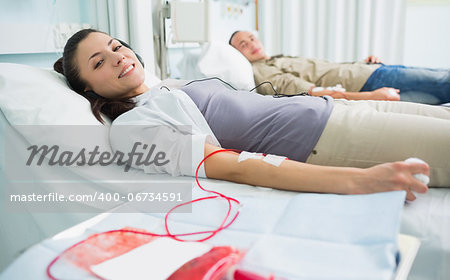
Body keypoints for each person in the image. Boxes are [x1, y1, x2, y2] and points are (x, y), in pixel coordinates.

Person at [54, 29, 450, 202]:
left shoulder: (168, 87)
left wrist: (359, 99)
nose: (119, 56)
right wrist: (359, 181)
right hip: (328, 139)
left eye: (116, 46)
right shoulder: (131, 128)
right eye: (99, 61)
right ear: (88, 89)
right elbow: (237, 167)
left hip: (341, 109)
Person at [229, 31, 450, 104]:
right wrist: (372, 96)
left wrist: (361, 63)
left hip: (368, 71)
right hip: (370, 81)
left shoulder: (275, 59)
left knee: (440, 90)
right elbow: (310, 92)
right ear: (236, 54)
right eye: (243, 44)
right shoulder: (261, 71)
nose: (251, 44)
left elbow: (325, 71)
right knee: (442, 81)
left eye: (251, 38)